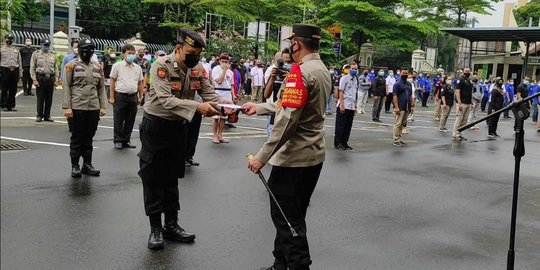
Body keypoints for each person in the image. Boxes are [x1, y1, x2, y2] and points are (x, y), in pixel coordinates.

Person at [242, 24, 331, 270]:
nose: (289, 46)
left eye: (291, 42)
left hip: (292, 160)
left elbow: (287, 121)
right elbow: (291, 107)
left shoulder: (300, 72)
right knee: (293, 215)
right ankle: (280, 265)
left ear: (297, 44)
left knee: (286, 221)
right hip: (312, 157)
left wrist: (261, 157)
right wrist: (259, 107)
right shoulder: (321, 70)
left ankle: (298, 266)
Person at [139, 29, 232, 250]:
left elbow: (209, 94)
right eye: (191, 52)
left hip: (178, 127)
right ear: (179, 48)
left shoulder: (197, 68)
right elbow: (166, 100)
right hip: (156, 125)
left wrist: (228, 105)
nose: (195, 58)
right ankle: (155, 229)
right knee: (153, 177)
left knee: (172, 176)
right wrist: (198, 107)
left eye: (198, 54)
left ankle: (171, 225)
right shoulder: (161, 66)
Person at [62, 39, 107, 178]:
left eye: (91, 49)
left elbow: (101, 88)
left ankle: (87, 164)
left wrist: (103, 106)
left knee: (89, 137)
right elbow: (66, 86)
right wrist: (67, 107)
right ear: (80, 50)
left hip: (93, 107)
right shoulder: (71, 66)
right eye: (85, 49)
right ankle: (75, 165)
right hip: (77, 107)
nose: (88, 52)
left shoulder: (97, 67)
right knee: (76, 137)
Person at [109, 44, 144, 149]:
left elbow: (140, 83)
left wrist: (140, 95)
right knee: (119, 119)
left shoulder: (138, 68)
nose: (131, 55)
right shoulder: (117, 66)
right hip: (120, 96)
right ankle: (118, 140)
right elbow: (112, 81)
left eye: (133, 53)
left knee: (130, 119)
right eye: (129, 53)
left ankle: (126, 140)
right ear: (123, 54)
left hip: (133, 96)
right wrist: (111, 97)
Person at [263, 49, 292, 141]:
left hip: (289, 117)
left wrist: (290, 77)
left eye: (289, 62)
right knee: (271, 144)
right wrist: (272, 78)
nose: (286, 64)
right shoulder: (275, 72)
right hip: (275, 113)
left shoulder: (297, 75)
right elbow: (266, 95)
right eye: (284, 61)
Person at [30, 37, 57, 122]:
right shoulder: (36, 54)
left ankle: (47, 115)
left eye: (48, 45)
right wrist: (34, 79)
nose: (46, 47)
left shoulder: (53, 54)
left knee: (49, 98)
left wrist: (56, 79)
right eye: (45, 45)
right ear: (41, 45)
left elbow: (56, 68)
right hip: (40, 77)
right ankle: (39, 115)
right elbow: (32, 67)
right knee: (40, 98)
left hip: (50, 77)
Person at [210, 55, 235, 144]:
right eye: (223, 61)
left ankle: (220, 135)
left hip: (227, 93)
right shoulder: (216, 69)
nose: (224, 63)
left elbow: (231, 84)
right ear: (219, 61)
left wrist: (233, 95)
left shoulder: (231, 72)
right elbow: (219, 81)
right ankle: (215, 136)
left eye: (226, 61)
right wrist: (224, 70)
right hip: (218, 92)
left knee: (224, 116)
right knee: (216, 116)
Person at [335, 63, 359, 150]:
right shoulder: (344, 78)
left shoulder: (355, 79)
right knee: (341, 125)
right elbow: (341, 91)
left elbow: (354, 93)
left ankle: (345, 142)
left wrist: (355, 106)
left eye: (356, 69)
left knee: (348, 126)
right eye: (353, 68)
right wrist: (341, 104)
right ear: (349, 69)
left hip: (351, 105)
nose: (354, 70)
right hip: (344, 104)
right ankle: (338, 143)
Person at [1, 34, 23, 111]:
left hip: (14, 70)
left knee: (13, 89)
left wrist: (20, 74)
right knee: (4, 89)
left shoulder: (16, 50)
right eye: (8, 38)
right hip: (5, 69)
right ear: (5, 39)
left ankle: (10, 105)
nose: (9, 40)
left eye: (11, 39)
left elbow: (19, 62)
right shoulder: (1, 50)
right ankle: (3, 105)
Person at [392, 69, 414, 146]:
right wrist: (396, 107)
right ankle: (395, 139)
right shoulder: (397, 84)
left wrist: (412, 106)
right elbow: (394, 96)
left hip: (407, 107)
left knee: (403, 124)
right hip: (400, 107)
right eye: (403, 73)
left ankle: (399, 138)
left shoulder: (409, 84)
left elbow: (410, 96)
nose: (405, 74)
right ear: (400, 73)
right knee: (397, 124)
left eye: (406, 73)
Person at [452, 67, 474, 141]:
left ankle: (460, 133)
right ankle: (455, 134)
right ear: (463, 72)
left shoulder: (469, 81)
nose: (468, 72)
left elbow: (470, 93)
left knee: (464, 120)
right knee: (459, 119)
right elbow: (457, 91)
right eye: (466, 71)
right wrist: (459, 103)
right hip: (462, 103)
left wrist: (471, 102)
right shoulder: (460, 80)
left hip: (467, 103)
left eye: (469, 71)